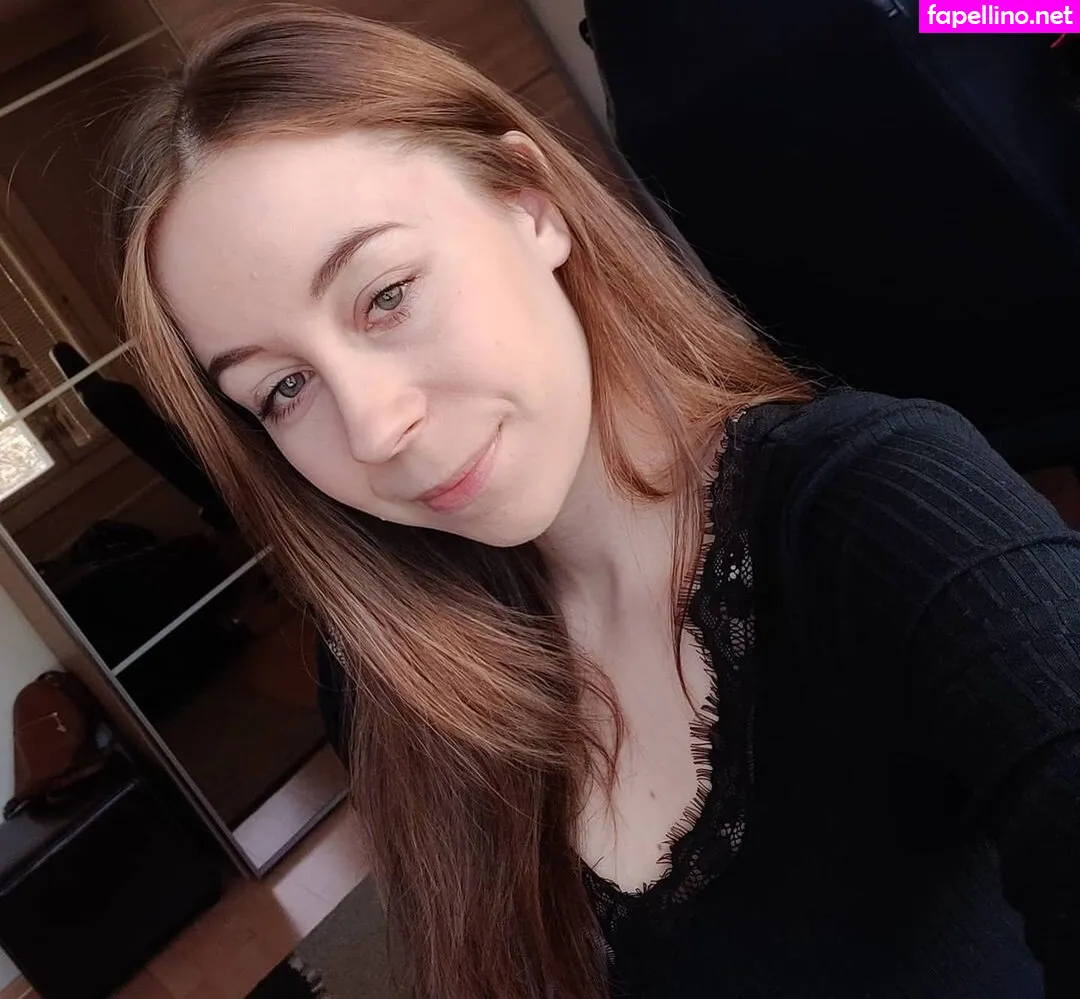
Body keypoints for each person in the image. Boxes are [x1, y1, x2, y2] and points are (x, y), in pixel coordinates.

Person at [103, 5, 1080, 998]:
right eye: (282, 388)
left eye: (387, 293)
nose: (374, 428)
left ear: (531, 204)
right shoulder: (383, 683)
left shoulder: (878, 507)